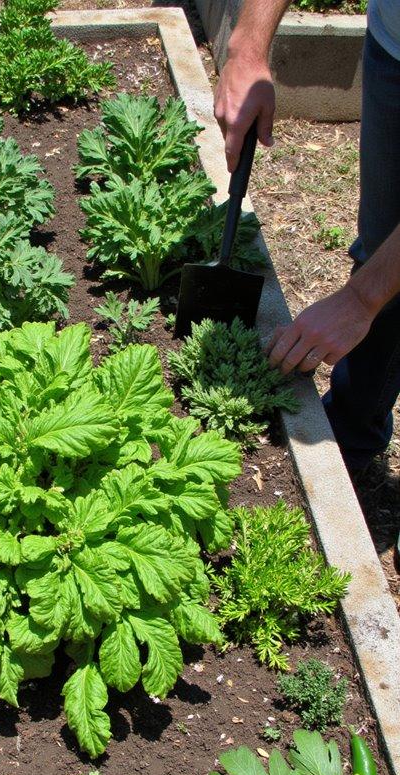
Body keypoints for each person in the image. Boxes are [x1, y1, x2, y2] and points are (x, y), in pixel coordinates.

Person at [213, 0, 400, 475]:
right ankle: (352, 431)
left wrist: (361, 299)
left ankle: (351, 445)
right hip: (394, 44)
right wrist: (249, 44)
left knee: (386, 285)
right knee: (383, 244)